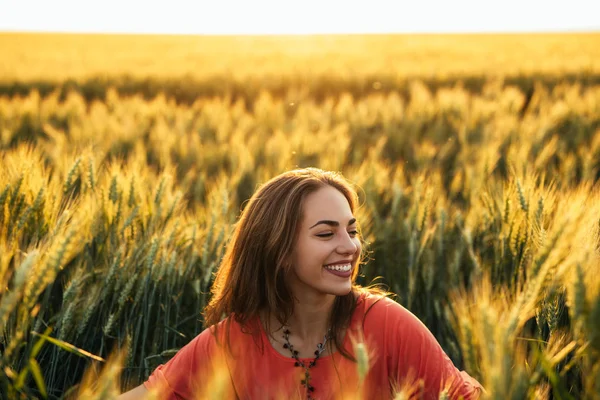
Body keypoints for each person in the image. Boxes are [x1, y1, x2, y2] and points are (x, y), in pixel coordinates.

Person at [118, 168, 483, 400]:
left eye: (352, 230)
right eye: (326, 233)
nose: (350, 246)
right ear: (279, 248)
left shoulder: (387, 325)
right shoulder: (231, 344)